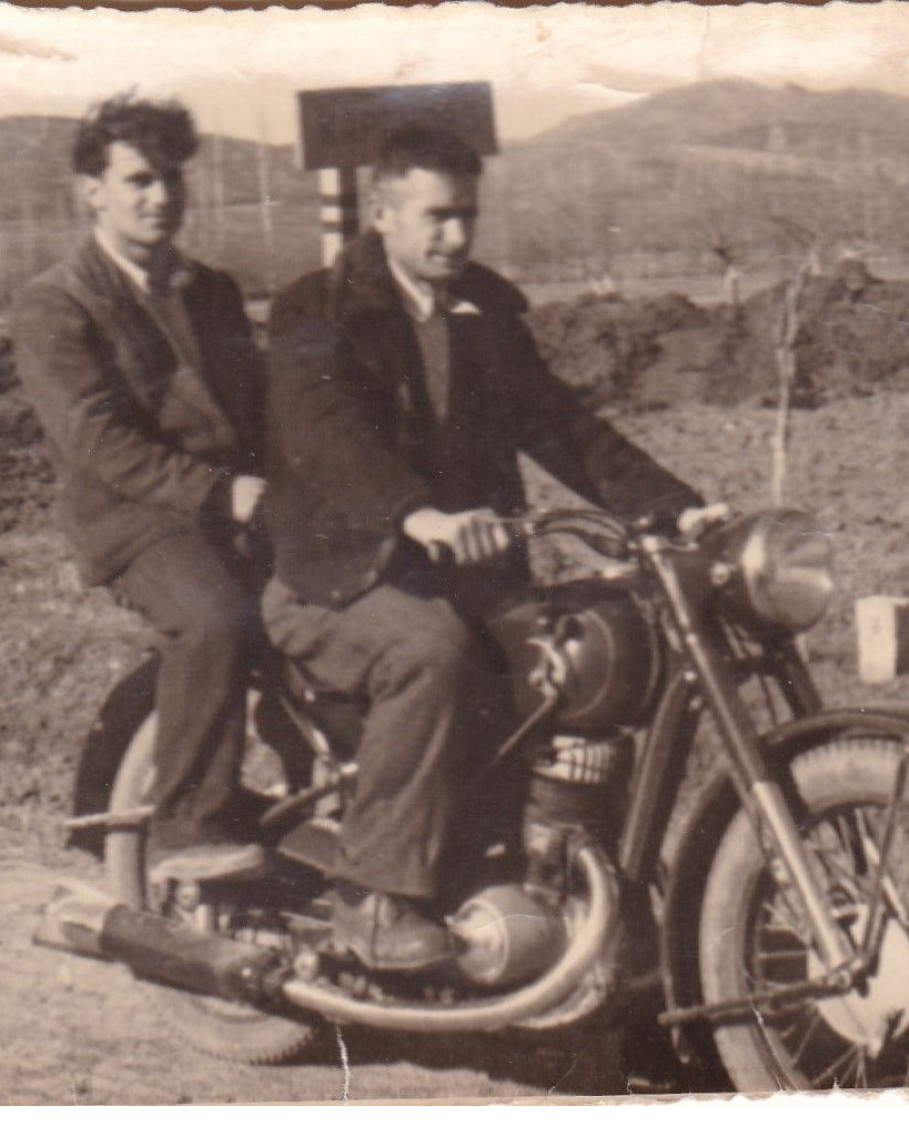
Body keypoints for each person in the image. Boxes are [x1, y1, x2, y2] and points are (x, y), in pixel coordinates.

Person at [260, 124, 715, 971]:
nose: (456, 236)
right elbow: (328, 434)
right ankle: (374, 898)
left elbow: (561, 427)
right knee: (429, 652)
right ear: (382, 212)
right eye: (435, 217)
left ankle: (567, 883)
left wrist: (673, 510)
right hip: (338, 574)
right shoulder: (313, 311)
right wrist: (415, 514)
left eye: (467, 215)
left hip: (461, 571)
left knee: (581, 665)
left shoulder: (485, 313)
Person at [11, 95, 270, 883]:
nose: (161, 198)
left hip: (228, 500)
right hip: (131, 518)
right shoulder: (56, 302)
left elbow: (258, 406)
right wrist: (226, 494)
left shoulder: (212, 290)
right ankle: (187, 825)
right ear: (92, 190)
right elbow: (98, 441)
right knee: (214, 620)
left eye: (173, 180)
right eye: (139, 180)